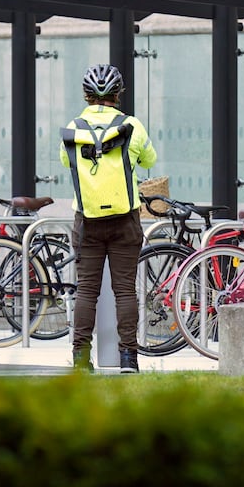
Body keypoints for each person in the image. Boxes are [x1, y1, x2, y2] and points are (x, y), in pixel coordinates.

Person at [59, 64, 157, 374]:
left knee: (87, 290)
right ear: (118, 94)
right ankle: (128, 358)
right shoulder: (132, 126)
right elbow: (150, 160)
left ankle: (80, 359)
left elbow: (66, 162)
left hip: (86, 220)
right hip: (125, 219)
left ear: (86, 94)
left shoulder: (73, 128)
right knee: (124, 290)